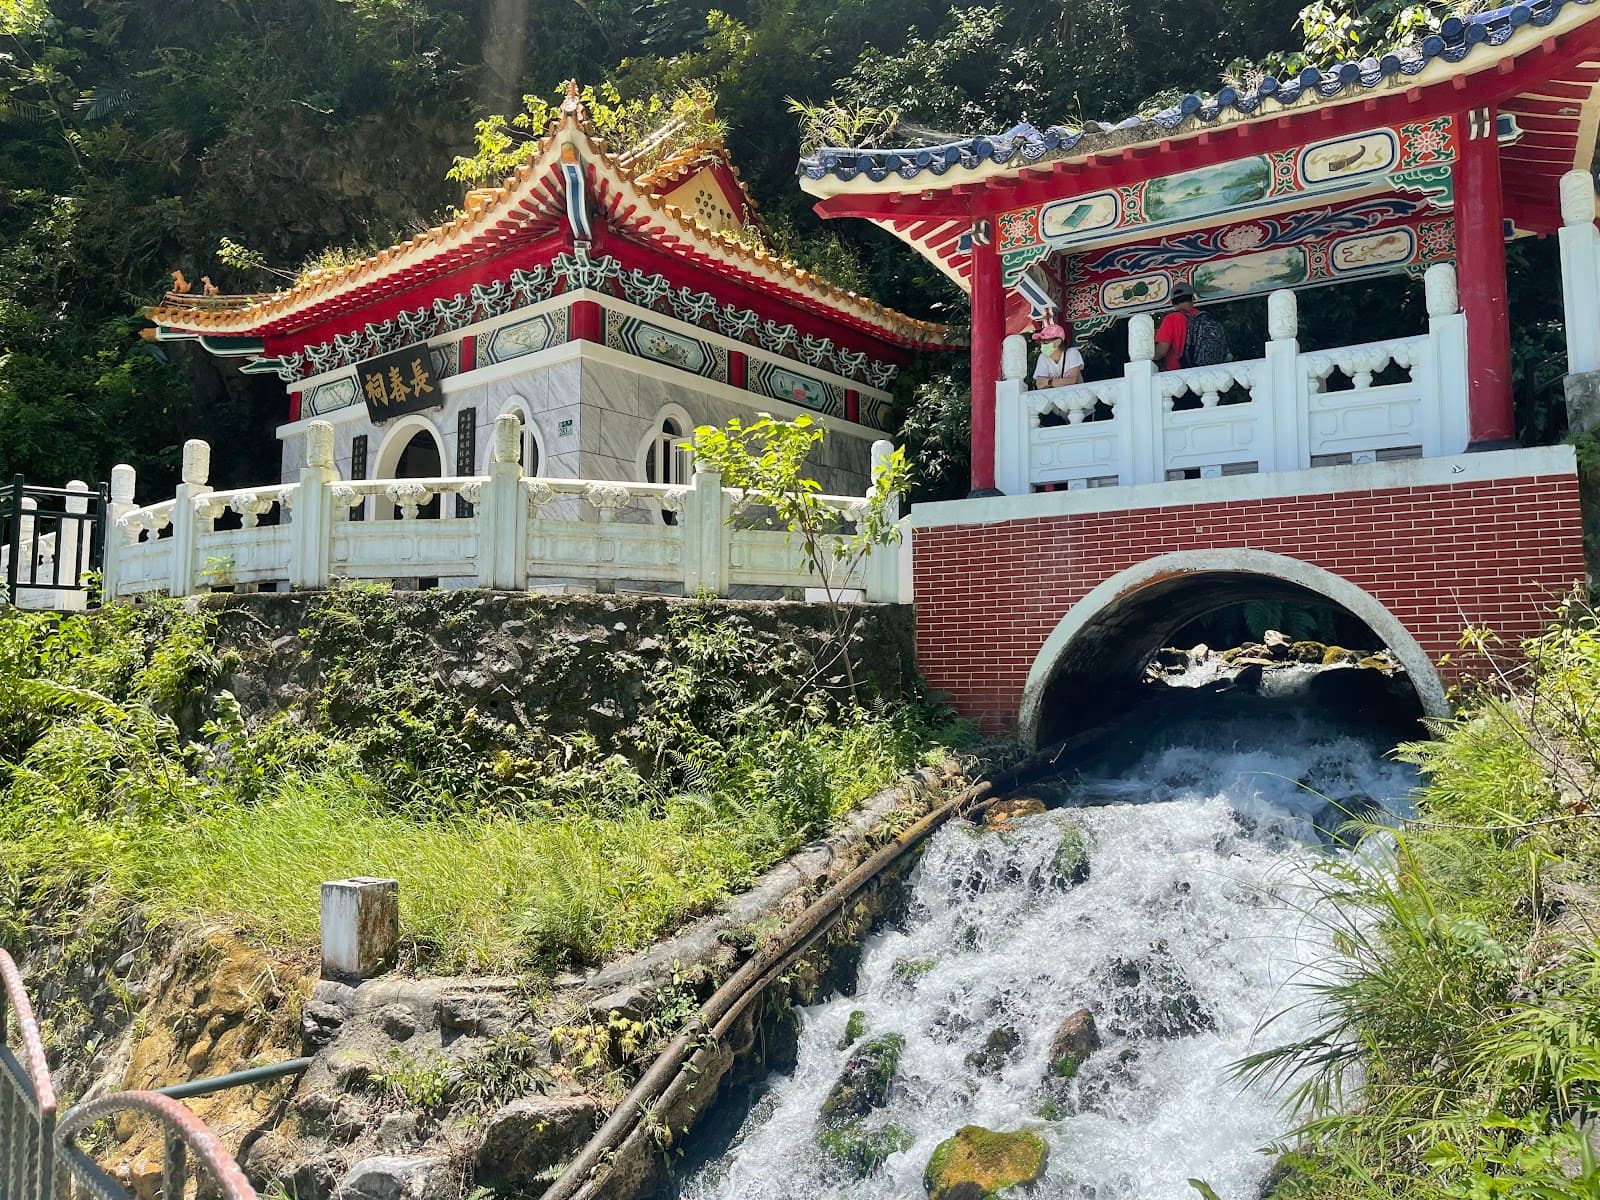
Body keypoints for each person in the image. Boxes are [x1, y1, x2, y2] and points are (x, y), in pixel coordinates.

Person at [1153, 284, 1199, 372]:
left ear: (1172, 302)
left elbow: (1161, 352)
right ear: (1193, 298)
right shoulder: (1202, 317)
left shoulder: (1171, 319)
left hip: (1181, 375)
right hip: (1208, 373)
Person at [1032, 318, 1083, 389]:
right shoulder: (1043, 357)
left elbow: (1073, 380)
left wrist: (1048, 382)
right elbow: (1039, 384)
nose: (1042, 344)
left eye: (1045, 341)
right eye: (1041, 341)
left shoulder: (1072, 353)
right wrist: (1064, 382)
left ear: (1058, 342)